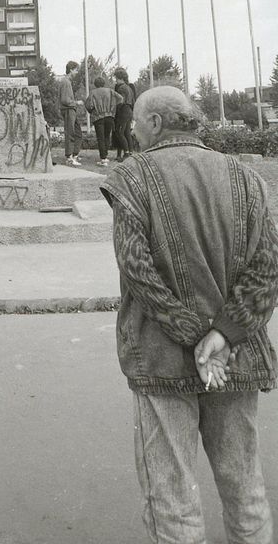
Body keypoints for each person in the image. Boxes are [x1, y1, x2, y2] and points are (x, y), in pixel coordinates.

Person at [100, 86, 278, 544]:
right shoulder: (246, 178)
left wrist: (194, 334)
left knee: (171, 498)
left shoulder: (132, 178)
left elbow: (137, 271)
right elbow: (268, 270)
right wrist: (222, 335)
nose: (133, 132)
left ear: (156, 123)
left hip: (162, 361)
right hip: (232, 359)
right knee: (244, 487)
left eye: (137, 123)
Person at [84, 76, 123, 166]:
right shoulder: (110, 91)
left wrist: (92, 111)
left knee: (100, 138)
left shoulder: (93, 92)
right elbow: (120, 98)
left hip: (98, 117)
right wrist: (113, 107)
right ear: (103, 83)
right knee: (106, 136)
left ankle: (103, 158)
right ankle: (105, 156)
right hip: (109, 116)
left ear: (95, 84)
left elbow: (88, 105)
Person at [56, 60, 82, 167]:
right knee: (71, 133)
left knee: (77, 132)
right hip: (68, 109)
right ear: (71, 70)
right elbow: (65, 100)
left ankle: (73, 155)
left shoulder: (66, 81)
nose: (76, 72)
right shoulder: (66, 82)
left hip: (71, 109)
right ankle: (69, 157)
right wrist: (77, 103)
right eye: (76, 70)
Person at [113, 67, 135, 160]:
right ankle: (130, 152)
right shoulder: (129, 87)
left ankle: (126, 152)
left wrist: (115, 110)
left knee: (119, 132)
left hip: (123, 111)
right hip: (129, 110)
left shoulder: (121, 88)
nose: (116, 81)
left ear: (120, 78)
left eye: (116, 79)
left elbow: (120, 101)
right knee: (127, 132)